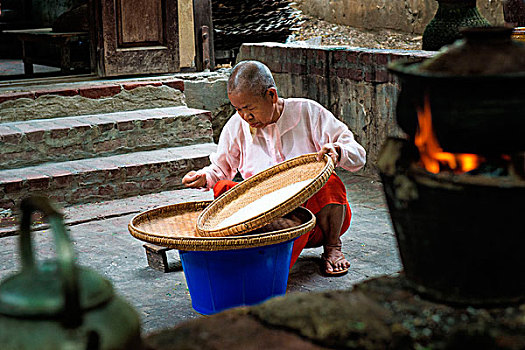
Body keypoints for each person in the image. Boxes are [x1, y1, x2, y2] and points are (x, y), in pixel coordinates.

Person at [182, 60, 366, 275]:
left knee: (330, 183)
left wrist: (338, 151)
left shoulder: (308, 112)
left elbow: (358, 155)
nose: (245, 117)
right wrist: (204, 177)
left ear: (272, 95)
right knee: (224, 188)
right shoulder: (236, 125)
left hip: (317, 220)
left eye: (250, 108)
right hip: (265, 217)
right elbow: (220, 170)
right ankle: (271, 243)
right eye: (238, 109)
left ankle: (333, 247)